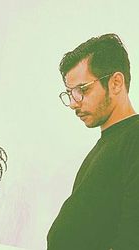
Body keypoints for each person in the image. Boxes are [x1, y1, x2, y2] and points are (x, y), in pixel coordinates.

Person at [47, 33, 139, 250]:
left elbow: (133, 236)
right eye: (70, 93)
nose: (73, 103)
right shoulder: (108, 142)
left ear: (116, 82)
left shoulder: (134, 138)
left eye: (83, 90)